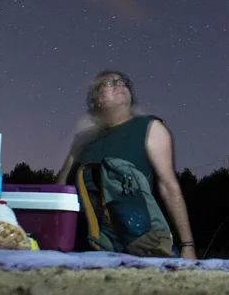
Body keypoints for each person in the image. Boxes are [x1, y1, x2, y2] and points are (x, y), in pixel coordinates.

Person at [57, 70, 197, 260]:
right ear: (97, 99)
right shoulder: (83, 139)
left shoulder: (149, 127)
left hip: (140, 246)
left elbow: (168, 186)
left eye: (122, 81)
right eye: (108, 83)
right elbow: (60, 190)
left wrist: (187, 245)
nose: (119, 84)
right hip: (86, 247)